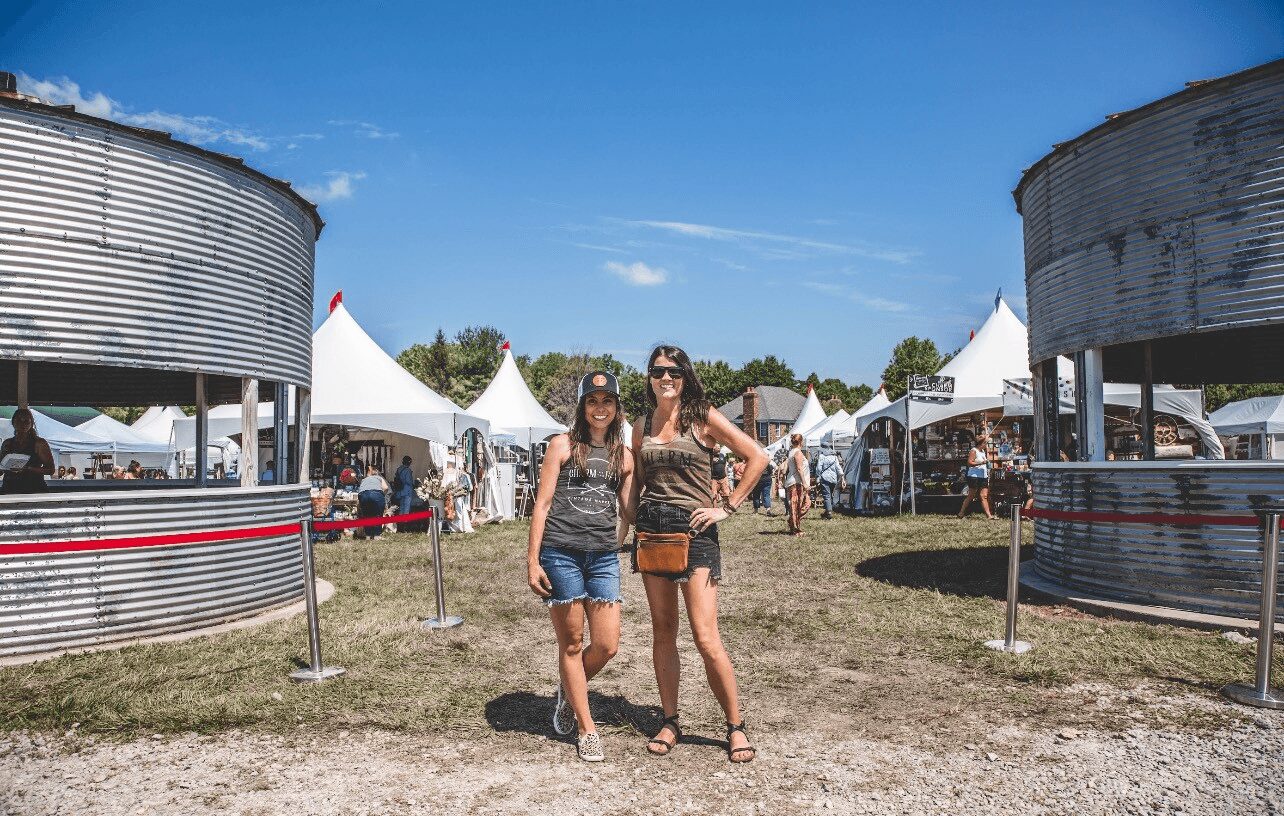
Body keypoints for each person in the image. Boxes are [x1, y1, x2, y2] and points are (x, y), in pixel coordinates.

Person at [630, 345, 766, 763]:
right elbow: (636, 481)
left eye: (674, 372)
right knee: (663, 631)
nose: (666, 378)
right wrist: (626, 525)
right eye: (658, 371)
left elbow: (757, 456)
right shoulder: (640, 424)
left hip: (696, 534)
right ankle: (670, 720)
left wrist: (728, 507)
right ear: (649, 377)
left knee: (706, 637)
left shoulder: (702, 417)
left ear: (685, 376)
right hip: (652, 533)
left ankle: (735, 726)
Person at [526, 371, 634, 762]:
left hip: (603, 557)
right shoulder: (562, 445)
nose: (599, 408)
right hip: (561, 554)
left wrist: (620, 537)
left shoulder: (625, 456)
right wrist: (532, 559)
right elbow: (541, 505)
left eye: (607, 401)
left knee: (607, 645)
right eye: (592, 401)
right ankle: (587, 729)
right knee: (571, 644)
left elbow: (629, 510)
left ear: (617, 407)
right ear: (582, 406)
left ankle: (569, 690)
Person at [0, 408, 54, 494]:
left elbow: (50, 470)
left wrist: (28, 469)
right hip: (10, 489)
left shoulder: (39, 443)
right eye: (19, 421)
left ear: (31, 423)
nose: (22, 424)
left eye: (26, 421)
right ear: (13, 423)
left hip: (33, 489)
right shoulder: (7, 443)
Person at [958, 434, 995, 519]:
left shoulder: (983, 452)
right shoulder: (974, 451)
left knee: (984, 496)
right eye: (986, 443)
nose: (987, 445)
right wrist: (981, 463)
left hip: (983, 476)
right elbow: (969, 463)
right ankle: (961, 512)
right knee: (971, 495)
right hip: (974, 476)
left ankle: (989, 515)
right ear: (982, 443)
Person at [784, 434, 811, 535]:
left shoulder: (792, 451)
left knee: (805, 504)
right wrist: (805, 483)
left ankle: (793, 522)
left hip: (796, 482)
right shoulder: (797, 453)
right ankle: (795, 530)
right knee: (796, 506)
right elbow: (799, 468)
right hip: (796, 483)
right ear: (801, 442)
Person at [356, 464, 389, 538]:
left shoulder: (364, 480)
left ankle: (368, 535)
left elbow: (360, 490)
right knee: (378, 515)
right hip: (376, 494)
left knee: (367, 516)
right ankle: (377, 535)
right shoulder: (379, 478)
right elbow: (386, 488)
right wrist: (382, 495)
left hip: (363, 495)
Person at [815, 444, 844, 519]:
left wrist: (817, 476)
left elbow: (819, 468)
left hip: (825, 478)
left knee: (826, 495)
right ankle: (827, 511)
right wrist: (842, 477)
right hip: (833, 479)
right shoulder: (834, 457)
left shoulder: (822, 456)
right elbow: (838, 468)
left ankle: (829, 512)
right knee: (830, 495)